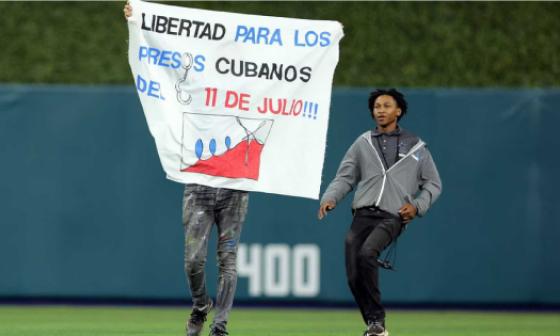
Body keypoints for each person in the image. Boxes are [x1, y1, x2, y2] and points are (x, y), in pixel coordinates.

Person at [124, 3, 248, 336]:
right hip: (199, 185)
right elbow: (162, 73)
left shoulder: (247, 89)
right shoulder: (192, 91)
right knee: (194, 261)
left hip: (234, 186)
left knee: (229, 261)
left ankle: (220, 326)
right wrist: (139, 23)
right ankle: (200, 305)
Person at [318, 89, 442, 336]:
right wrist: (330, 197)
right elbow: (346, 176)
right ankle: (375, 326)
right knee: (353, 275)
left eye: (386, 106)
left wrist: (417, 206)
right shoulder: (363, 142)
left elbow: (433, 183)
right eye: (376, 107)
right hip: (363, 214)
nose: (381, 110)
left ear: (398, 111)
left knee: (367, 253)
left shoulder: (416, 147)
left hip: (393, 215)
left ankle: (377, 321)